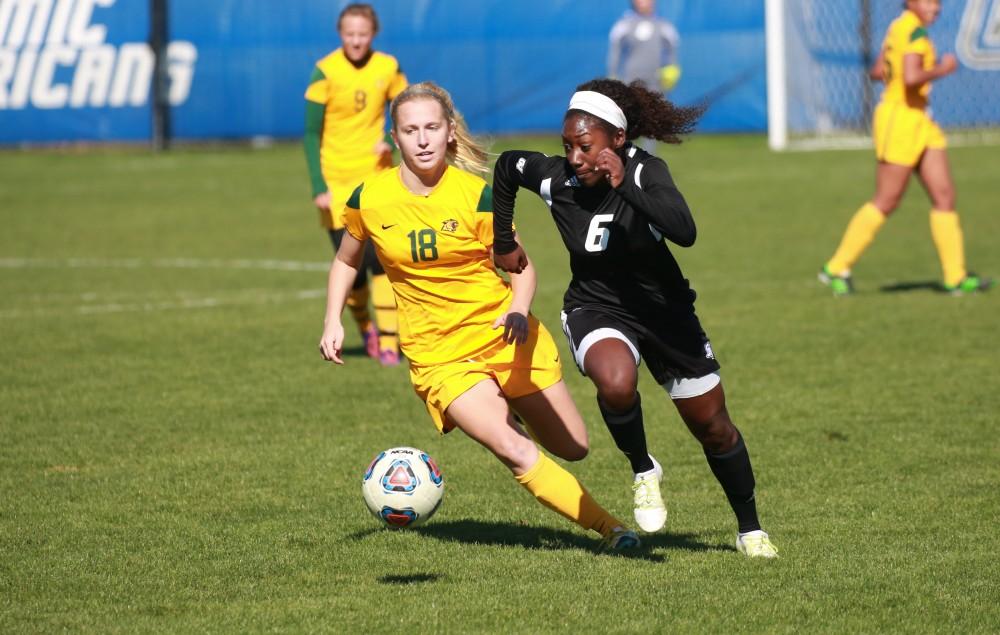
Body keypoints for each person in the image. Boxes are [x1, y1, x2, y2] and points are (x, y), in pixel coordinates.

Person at [318, 81, 640, 551]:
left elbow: (523, 271)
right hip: (439, 355)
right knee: (514, 449)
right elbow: (346, 260)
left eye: (431, 127)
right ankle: (610, 529)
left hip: (503, 335)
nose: (422, 139)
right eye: (411, 130)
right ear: (395, 137)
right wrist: (332, 319)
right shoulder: (369, 198)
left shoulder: (477, 196)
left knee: (574, 446)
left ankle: (505, 403)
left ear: (450, 132)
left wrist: (516, 308)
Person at [491, 78, 777, 558]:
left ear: (617, 142)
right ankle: (644, 469)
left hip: (666, 314)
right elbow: (506, 167)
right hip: (596, 306)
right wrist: (503, 241)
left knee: (714, 427)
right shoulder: (557, 178)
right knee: (617, 382)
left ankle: (750, 529)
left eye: (585, 146)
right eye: (567, 146)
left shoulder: (645, 172)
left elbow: (684, 230)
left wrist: (625, 187)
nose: (575, 157)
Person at [819, 0, 992, 296]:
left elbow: (877, 71)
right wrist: (943, 68)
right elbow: (911, 78)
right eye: (927, 1)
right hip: (900, 121)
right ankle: (835, 268)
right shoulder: (913, 32)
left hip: (921, 121)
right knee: (887, 200)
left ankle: (956, 277)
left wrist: (895, 70)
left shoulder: (900, 27)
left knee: (944, 196)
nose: (934, 8)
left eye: (937, 3)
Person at [304, 3, 408, 365]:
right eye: (350, 34)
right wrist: (319, 185)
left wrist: (391, 138)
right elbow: (309, 133)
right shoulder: (325, 72)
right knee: (352, 268)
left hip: (375, 179)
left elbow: (408, 105)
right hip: (336, 182)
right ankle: (367, 329)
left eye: (362, 34)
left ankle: (391, 344)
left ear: (373, 34)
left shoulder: (388, 66)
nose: (356, 40)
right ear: (340, 33)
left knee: (380, 260)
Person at [607, 0, 681, 154]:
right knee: (627, 120)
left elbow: (672, 48)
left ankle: (648, 159)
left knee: (653, 120)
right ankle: (625, 157)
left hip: (655, 80)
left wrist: (671, 69)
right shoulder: (623, 25)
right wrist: (614, 75)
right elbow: (615, 51)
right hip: (630, 80)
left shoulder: (664, 26)